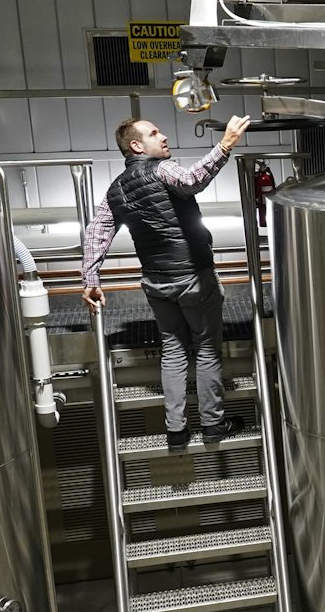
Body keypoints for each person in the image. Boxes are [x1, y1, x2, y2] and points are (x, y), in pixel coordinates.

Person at [83, 115, 253, 450]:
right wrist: (226, 144)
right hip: (193, 277)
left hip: (156, 283)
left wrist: (90, 278)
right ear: (136, 145)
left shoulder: (116, 188)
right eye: (154, 133)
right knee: (205, 350)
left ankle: (176, 431)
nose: (164, 137)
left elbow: (97, 231)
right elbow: (191, 180)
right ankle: (213, 425)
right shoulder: (162, 169)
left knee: (173, 352)